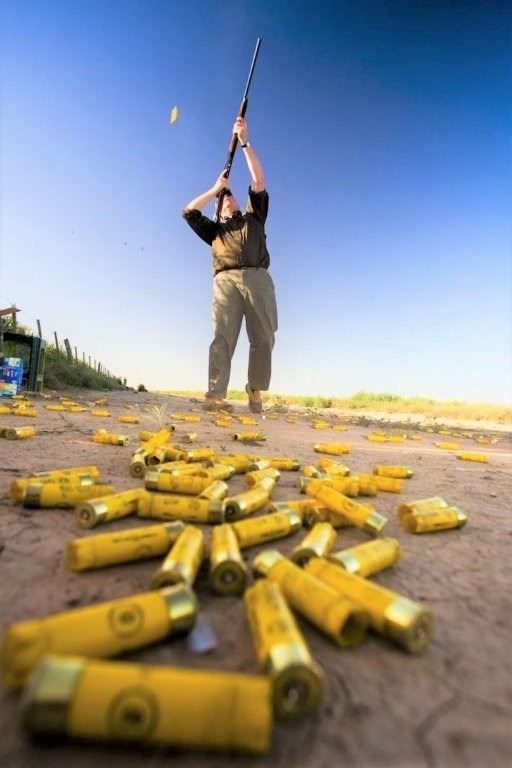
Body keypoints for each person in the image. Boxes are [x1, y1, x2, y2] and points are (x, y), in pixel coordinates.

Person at [182, 117, 277, 414]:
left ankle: (255, 388)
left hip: (258, 278)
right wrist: (215, 188)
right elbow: (188, 211)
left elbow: (258, 182)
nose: (228, 199)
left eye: (229, 195)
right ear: (217, 208)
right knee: (222, 338)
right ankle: (215, 394)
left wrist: (244, 142)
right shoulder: (213, 231)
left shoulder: (253, 216)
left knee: (264, 337)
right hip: (225, 282)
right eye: (223, 198)